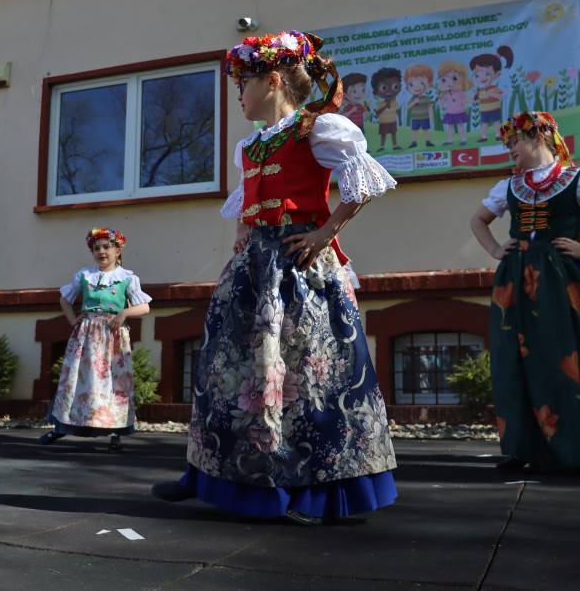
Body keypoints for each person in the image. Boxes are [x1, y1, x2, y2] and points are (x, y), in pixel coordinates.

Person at [152, 31, 399, 525]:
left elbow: (362, 179)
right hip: (254, 271)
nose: (238, 94)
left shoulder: (317, 129)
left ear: (271, 80)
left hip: (300, 264)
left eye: (242, 83)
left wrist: (326, 232)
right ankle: (210, 475)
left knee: (306, 375)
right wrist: (238, 260)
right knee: (231, 374)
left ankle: (318, 493)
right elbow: (246, 211)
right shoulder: (251, 145)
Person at [470, 112, 580, 473]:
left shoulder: (579, 180)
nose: (510, 148)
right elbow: (477, 221)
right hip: (514, 279)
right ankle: (523, 447)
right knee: (513, 360)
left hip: (560, 278)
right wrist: (497, 251)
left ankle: (575, 450)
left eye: (514, 140)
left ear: (538, 137)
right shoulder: (510, 186)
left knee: (565, 357)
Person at [39, 228, 152, 452]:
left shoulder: (127, 277)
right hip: (87, 336)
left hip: (113, 337)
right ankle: (61, 427)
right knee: (78, 381)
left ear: (118, 250)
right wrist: (72, 319)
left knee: (113, 383)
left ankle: (115, 434)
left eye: (106, 247)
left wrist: (123, 313)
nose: (101, 251)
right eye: (96, 248)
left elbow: (145, 307)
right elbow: (65, 299)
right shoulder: (85, 275)